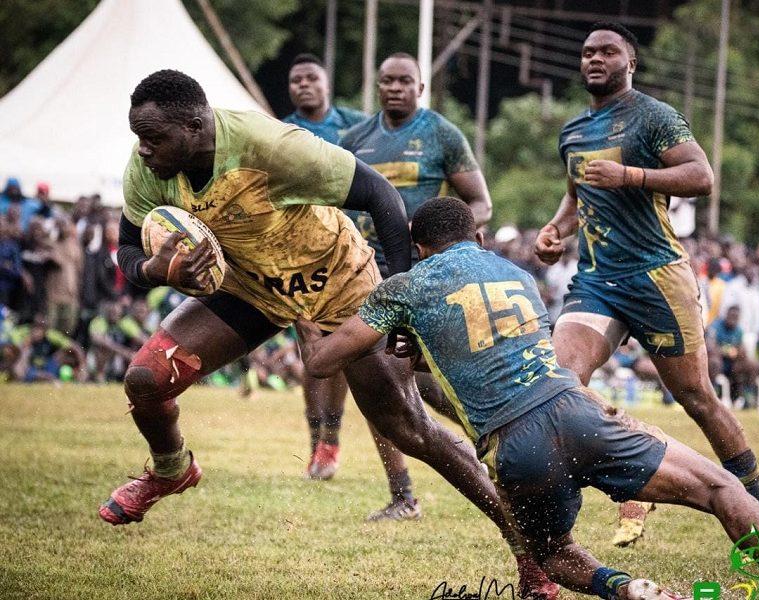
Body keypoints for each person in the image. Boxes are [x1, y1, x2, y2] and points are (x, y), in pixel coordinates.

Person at [97, 70, 555, 599]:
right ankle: (171, 470)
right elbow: (128, 252)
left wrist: (404, 304)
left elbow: (382, 196)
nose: (143, 150)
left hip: (338, 281)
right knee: (146, 379)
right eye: (139, 137)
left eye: (154, 138)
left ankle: (533, 554)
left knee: (408, 428)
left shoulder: (271, 147)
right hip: (250, 285)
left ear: (196, 126)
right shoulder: (148, 168)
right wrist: (163, 271)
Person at [296, 197, 759, 600]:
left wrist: (295, 309)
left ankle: (627, 589)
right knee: (721, 487)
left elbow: (324, 361)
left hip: (513, 448)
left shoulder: (407, 285)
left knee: (556, 557)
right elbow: (495, 345)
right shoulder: (514, 273)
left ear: (419, 248)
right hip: (576, 410)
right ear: (475, 239)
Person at [533, 22, 759, 546]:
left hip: (656, 278)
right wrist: (555, 230)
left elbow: (701, 176)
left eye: (608, 51)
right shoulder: (572, 131)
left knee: (696, 397)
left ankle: (758, 506)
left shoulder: (654, 116)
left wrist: (634, 177)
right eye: (587, 51)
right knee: (561, 387)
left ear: (630, 62)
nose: (595, 58)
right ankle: (634, 477)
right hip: (596, 282)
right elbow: (576, 198)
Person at [340, 52, 493, 521]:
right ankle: (403, 494)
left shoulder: (443, 134)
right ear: (377, 85)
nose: (395, 88)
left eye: (405, 81)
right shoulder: (353, 140)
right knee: (377, 382)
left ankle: (495, 447)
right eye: (387, 81)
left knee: (435, 380)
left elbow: (480, 204)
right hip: (369, 274)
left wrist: (448, 246)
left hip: (427, 276)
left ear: (420, 88)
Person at [281, 53, 367, 480]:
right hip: (299, 256)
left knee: (345, 354)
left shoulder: (355, 127)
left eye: (311, 78)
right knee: (310, 352)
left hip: (348, 252)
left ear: (327, 83)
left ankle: (331, 438)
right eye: (296, 80)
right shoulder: (279, 133)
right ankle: (319, 445)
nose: (303, 86)